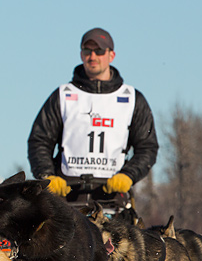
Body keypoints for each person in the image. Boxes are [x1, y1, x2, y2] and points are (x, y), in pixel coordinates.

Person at [27, 28, 158, 212]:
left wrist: (129, 175)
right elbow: (39, 141)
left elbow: (147, 147)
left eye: (99, 51)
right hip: (67, 197)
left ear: (111, 55)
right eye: (87, 51)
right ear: (81, 54)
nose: (92, 56)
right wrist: (47, 175)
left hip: (113, 199)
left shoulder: (132, 99)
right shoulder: (63, 96)